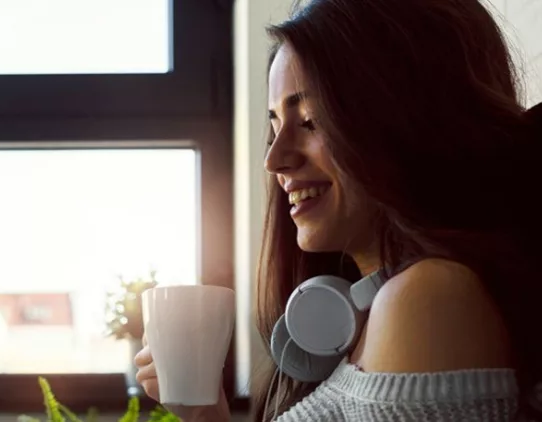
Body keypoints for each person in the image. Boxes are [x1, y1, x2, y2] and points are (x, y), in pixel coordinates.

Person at [135, 0, 542, 420]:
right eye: (275, 126)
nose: (274, 160)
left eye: (310, 120)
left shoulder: (428, 299)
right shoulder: (386, 306)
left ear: (408, 120)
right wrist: (203, 413)